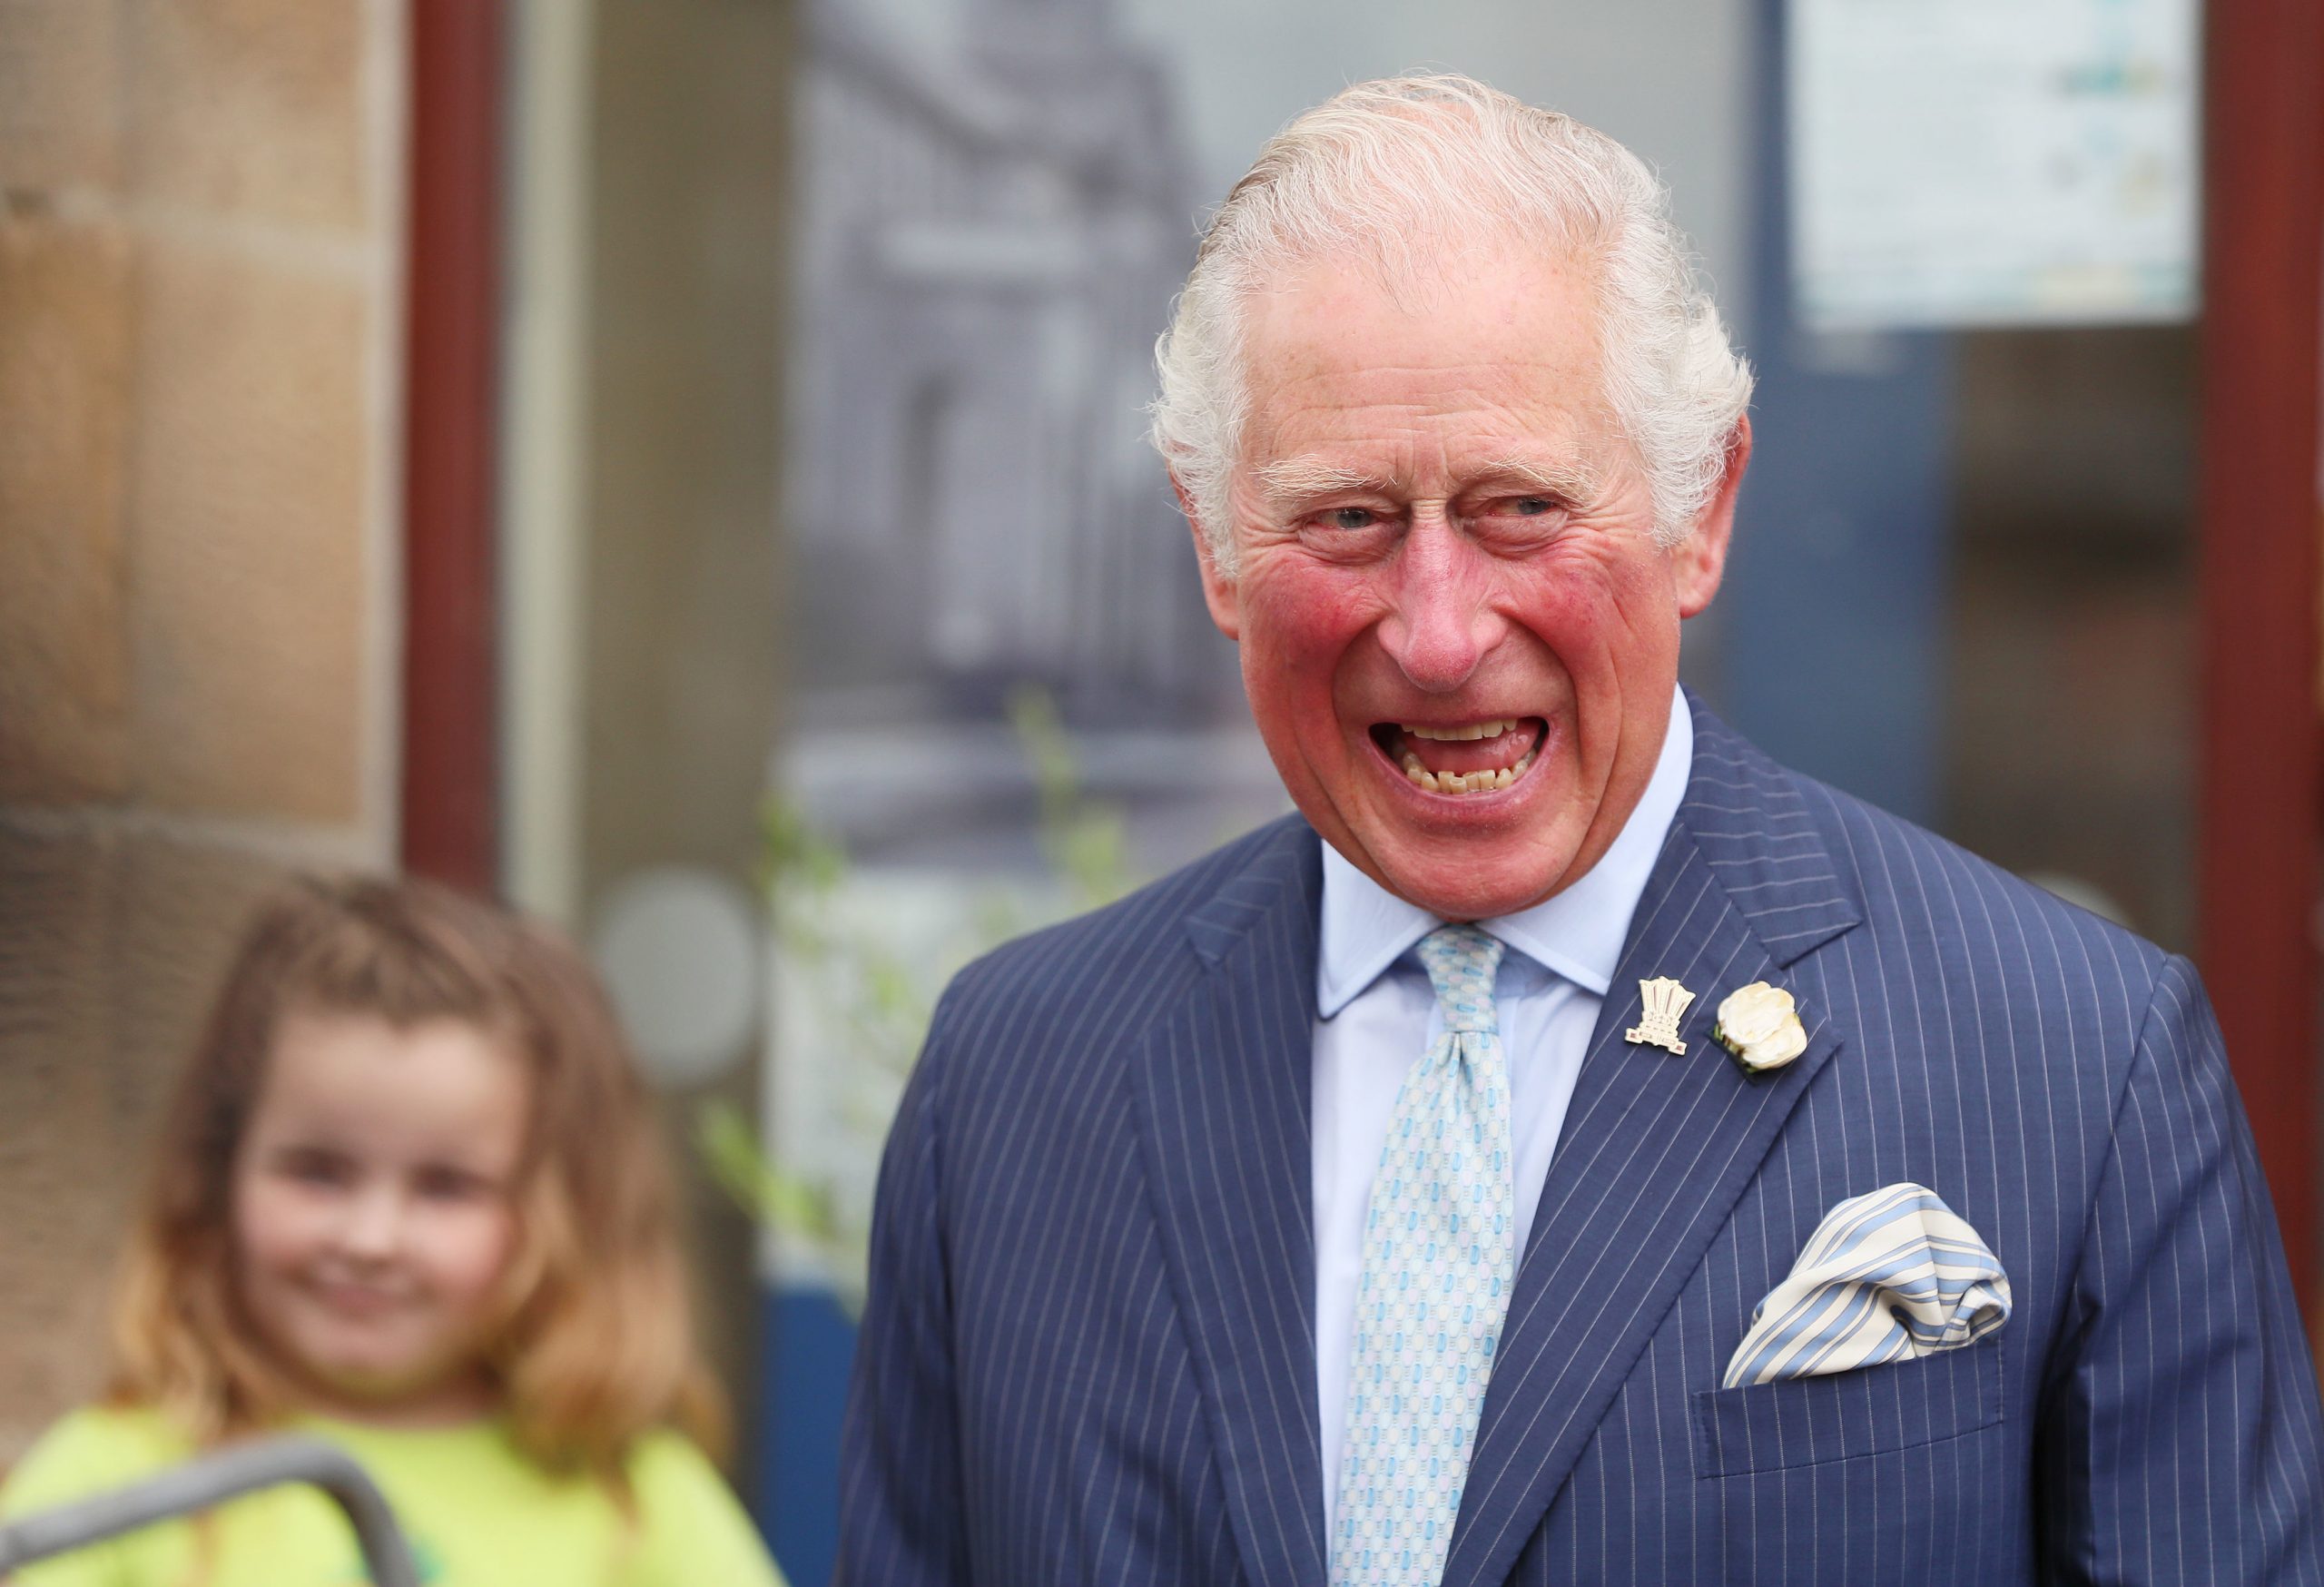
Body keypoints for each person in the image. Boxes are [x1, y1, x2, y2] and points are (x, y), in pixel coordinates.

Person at [839, 73, 2324, 1585]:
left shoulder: (2072, 1060)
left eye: (1520, 508)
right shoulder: (1014, 1083)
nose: (1433, 630)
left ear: (1705, 508)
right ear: (1216, 546)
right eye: (1346, 516)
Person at [0, 875, 787, 1587]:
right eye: (317, 1172)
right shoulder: (118, 1479)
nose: (371, 1239)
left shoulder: (637, 1502)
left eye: (447, 1188)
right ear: (215, 1178)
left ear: (568, 1215)